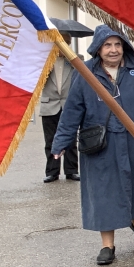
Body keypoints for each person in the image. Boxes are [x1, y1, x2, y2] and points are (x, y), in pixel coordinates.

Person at [52, 26, 134, 266]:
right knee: (104, 193)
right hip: (101, 144)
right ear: (98, 49)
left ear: (124, 46)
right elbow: (72, 111)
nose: (113, 50)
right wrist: (61, 142)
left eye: (117, 44)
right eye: (107, 45)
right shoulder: (85, 73)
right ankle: (107, 245)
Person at [39, 53, 79, 182]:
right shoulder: (43, 60)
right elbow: (37, 80)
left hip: (69, 104)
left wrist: (70, 59)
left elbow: (81, 75)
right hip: (49, 104)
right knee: (50, 140)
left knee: (71, 140)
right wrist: (46, 65)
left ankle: (72, 170)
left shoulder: (75, 59)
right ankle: (52, 172)